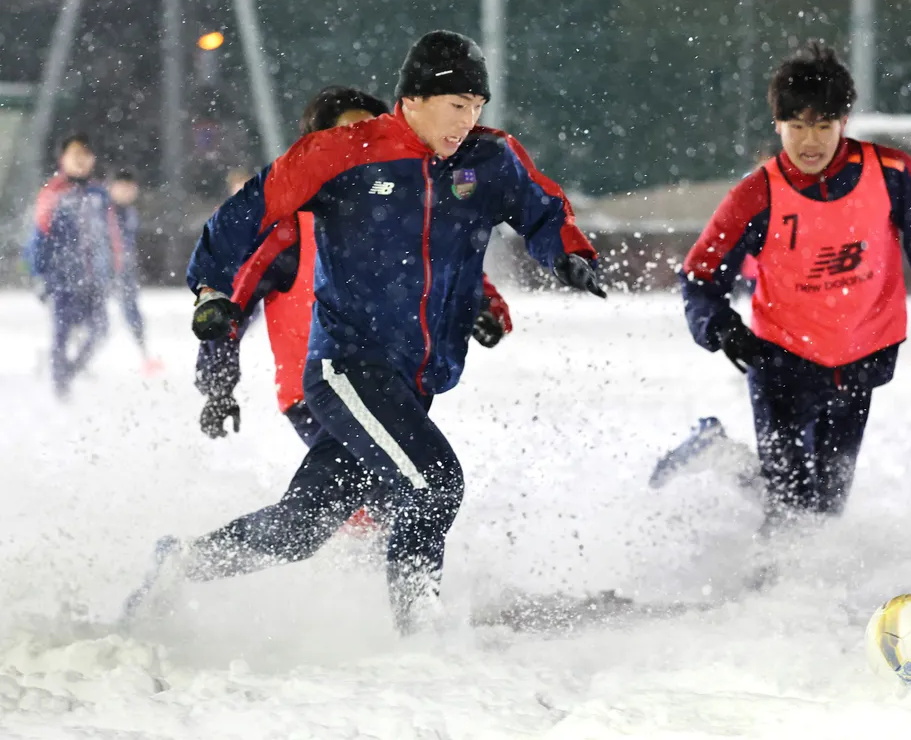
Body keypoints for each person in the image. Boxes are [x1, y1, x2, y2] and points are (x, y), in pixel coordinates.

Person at [129, 31, 603, 633]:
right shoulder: (342, 154)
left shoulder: (489, 160)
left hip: (414, 379)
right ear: (412, 99)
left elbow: (541, 210)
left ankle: (183, 564)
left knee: (303, 527)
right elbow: (248, 212)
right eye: (457, 105)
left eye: (476, 106)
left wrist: (566, 253)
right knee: (433, 483)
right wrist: (211, 291)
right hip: (345, 368)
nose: (468, 119)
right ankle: (419, 629)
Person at [680, 41, 911, 536]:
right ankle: (775, 596)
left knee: (827, 504)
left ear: (844, 121)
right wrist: (722, 328)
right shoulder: (757, 193)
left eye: (822, 125)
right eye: (796, 125)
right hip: (781, 361)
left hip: (861, 357)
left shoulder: (893, 175)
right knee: (789, 503)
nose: (810, 140)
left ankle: (730, 468)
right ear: (777, 125)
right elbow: (699, 276)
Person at [194, 85, 514, 537]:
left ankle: (190, 563)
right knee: (390, 496)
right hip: (321, 393)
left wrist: (484, 309)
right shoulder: (292, 229)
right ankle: (389, 599)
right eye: (346, 136)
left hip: (390, 383)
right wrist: (218, 387)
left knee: (320, 520)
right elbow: (229, 308)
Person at [28, 133, 122, 398]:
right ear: (63, 159)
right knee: (61, 334)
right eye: (75, 156)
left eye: (86, 156)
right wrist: (40, 274)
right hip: (62, 280)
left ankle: (69, 372)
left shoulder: (99, 194)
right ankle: (61, 390)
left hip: (94, 278)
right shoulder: (52, 193)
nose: (81, 162)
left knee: (100, 329)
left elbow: (111, 234)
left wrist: (113, 268)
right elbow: (39, 236)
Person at [107, 168, 163, 375]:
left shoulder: (129, 212)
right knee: (91, 317)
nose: (127, 192)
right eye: (122, 188)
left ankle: (144, 354)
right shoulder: (104, 210)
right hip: (103, 271)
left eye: (131, 188)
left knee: (131, 310)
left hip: (122, 270)